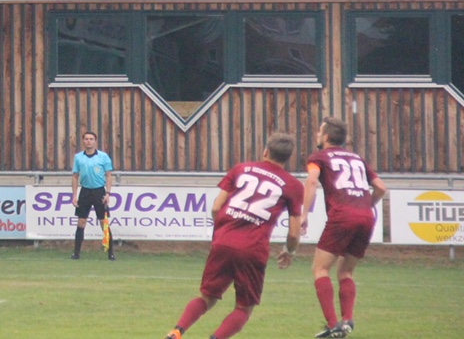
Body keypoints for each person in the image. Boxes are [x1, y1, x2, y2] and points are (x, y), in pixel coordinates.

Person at [162, 132, 304, 339]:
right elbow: (294, 232)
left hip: (224, 242)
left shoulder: (241, 169)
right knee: (244, 307)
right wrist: (289, 251)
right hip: (253, 249)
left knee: (207, 296)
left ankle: (177, 331)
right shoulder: (294, 185)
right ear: (287, 158)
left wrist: (222, 232)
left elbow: (216, 207)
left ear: (266, 151)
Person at [303, 117, 388, 339]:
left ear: (326, 137)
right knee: (346, 271)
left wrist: (304, 214)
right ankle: (348, 320)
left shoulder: (318, 157)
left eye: (319, 132)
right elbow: (381, 187)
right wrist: (365, 206)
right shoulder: (357, 158)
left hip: (342, 216)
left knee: (320, 269)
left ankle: (333, 325)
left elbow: (311, 182)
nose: (317, 135)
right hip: (367, 217)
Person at [71, 130, 114, 260]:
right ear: (83, 141)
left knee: (103, 222)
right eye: (86, 139)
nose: (89, 141)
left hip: (99, 191)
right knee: (81, 221)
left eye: (91, 139)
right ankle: (76, 253)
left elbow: (108, 175)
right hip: (85, 192)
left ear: (95, 141)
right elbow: (75, 176)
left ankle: (111, 253)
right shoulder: (78, 157)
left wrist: (108, 193)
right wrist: (74, 195)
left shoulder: (103, 156)